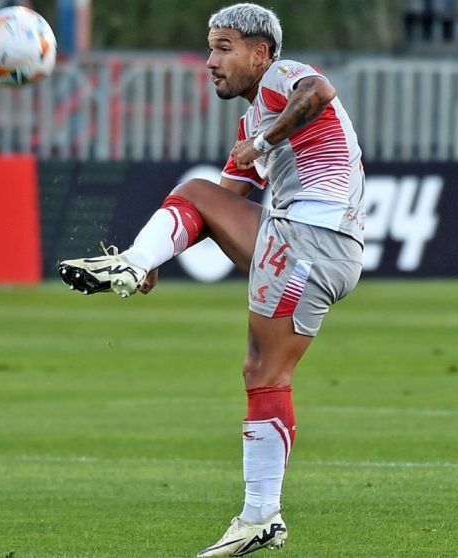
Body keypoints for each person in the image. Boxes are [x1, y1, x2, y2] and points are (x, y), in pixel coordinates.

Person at [57, 3, 364, 556]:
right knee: (262, 371)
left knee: (195, 194)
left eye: (224, 48)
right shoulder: (252, 124)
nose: (211, 61)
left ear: (260, 53)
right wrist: (158, 254)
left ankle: (261, 515)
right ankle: (259, 518)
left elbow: (319, 93)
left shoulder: (283, 77)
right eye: (210, 48)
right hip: (317, 246)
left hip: (312, 235)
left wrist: (263, 145)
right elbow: (216, 208)